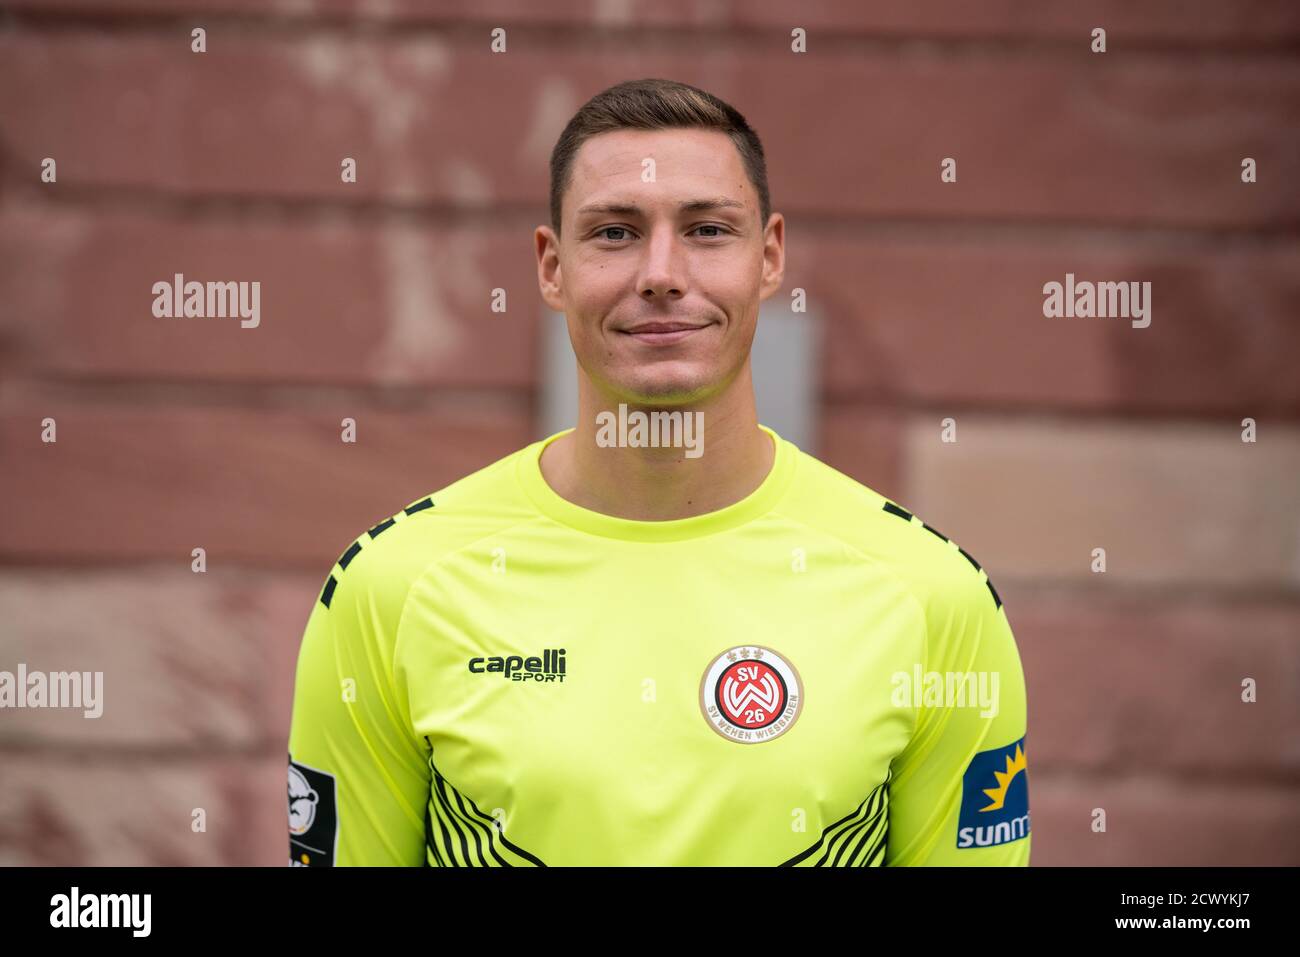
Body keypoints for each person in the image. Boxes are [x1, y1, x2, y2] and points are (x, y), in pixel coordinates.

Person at [287, 77, 1030, 866]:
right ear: (551, 266)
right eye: (614, 232)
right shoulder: (390, 588)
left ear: (769, 257)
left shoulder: (933, 596)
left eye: (709, 230)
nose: (662, 272)